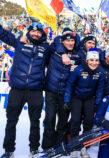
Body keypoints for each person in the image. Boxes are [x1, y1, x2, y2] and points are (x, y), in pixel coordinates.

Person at [0, 22, 51, 158]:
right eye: (33, 31)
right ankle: (8, 150)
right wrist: (18, 36)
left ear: (42, 34)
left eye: (39, 32)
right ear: (28, 32)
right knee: (11, 121)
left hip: (36, 91)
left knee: (35, 122)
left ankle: (34, 149)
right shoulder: (19, 42)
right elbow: (3, 34)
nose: (35, 34)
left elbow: (59, 47)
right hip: (17, 90)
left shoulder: (45, 48)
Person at [42, 28, 81, 151]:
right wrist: (62, 51)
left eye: (72, 41)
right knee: (50, 119)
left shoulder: (78, 53)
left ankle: (59, 146)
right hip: (51, 91)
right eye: (67, 40)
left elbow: (79, 43)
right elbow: (55, 41)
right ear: (62, 41)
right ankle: (47, 147)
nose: (70, 43)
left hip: (66, 94)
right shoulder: (54, 49)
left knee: (63, 122)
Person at [64, 49, 104, 158]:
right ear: (87, 60)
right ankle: (74, 146)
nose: (94, 62)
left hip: (89, 99)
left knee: (88, 122)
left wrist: (97, 103)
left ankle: (84, 147)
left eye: (96, 60)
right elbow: (70, 85)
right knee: (75, 121)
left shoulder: (100, 71)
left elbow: (100, 89)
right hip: (77, 98)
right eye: (91, 60)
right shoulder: (78, 69)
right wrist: (67, 100)